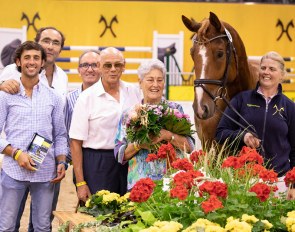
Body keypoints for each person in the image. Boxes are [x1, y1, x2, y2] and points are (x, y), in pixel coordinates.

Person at [0, 26, 68, 232]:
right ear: (18, 62)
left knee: (42, 227)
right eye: (27, 57)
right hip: (13, 170)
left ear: (42, 63)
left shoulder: (54, 97)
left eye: (36, 58)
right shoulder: (6, 95)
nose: (32, 62)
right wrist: (16, 153)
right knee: (6, 225)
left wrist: (62, 160)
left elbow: (60, 133)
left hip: (45, 171)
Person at [215, 51, 295, 199]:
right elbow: (220, 133)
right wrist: (242, 136)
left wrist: (293, 185)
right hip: (245, 181)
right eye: (263, 68)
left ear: (282, 75)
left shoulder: (290, 107)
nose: (266, 72)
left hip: (279, 182)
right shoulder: (241, 100)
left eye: (272, 69)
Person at [69, 47, 141, 203]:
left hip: (129, 160)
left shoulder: (133, 91)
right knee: (101, 216)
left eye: (118, 65)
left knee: (129, 214)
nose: (113, 70)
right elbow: (75, 142)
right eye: (108, 65)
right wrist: (80, 182)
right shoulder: (86, 97)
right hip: (97, 163)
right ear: (100, 67)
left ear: (124, 66)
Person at [114, 59, 195, 190]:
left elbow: (190, 146)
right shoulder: (129, 114)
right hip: (139, 185)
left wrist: (168, 135)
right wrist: (139, 144)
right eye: (150, 80)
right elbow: (120, 155)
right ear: (140, 83)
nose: (155, 85)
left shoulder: (175, 110)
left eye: (160, 80)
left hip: (172, 182)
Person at [0, 26, 68, 99]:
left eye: (56, 43)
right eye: (46, 41)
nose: (50, 47)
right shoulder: (13, 70)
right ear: (36, 44)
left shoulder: (62, 76)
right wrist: (0, 86)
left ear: (60, 49)